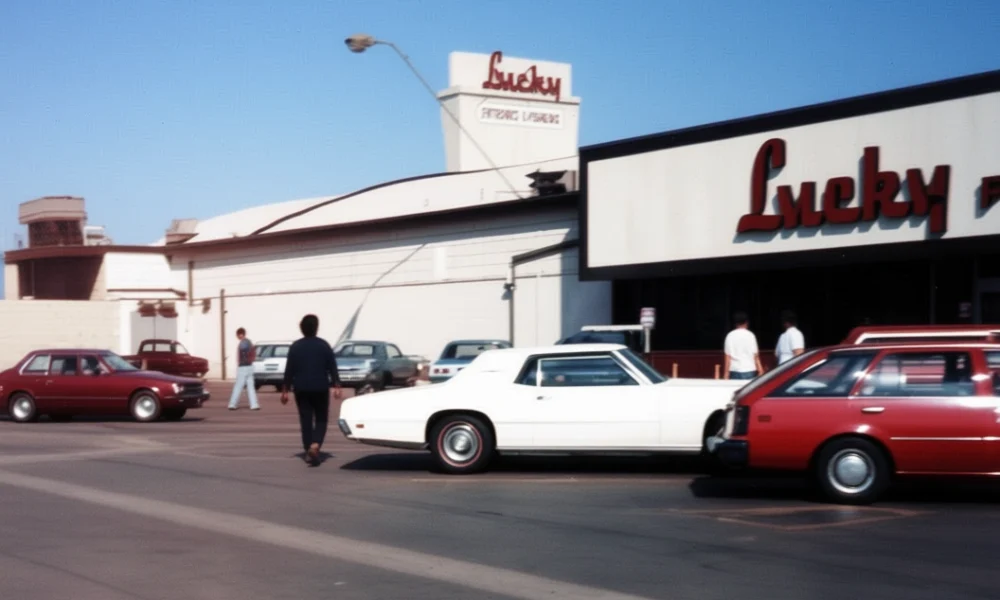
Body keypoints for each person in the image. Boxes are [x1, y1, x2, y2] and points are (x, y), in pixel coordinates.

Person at [281, 314, 343, 466]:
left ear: (302, 328)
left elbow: (289, 370)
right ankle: (315, 444)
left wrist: (285, 390)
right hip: (320, 387)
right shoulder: (324, 345)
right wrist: (336, 385)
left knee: (306, 420)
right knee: (321, 418)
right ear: (316, 328)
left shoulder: (296, 347)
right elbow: (332, 366)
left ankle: (308, 448)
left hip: (301, 388)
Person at [724, 311, 763, 380]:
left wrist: (726, 374)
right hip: (750, 369)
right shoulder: (751, 335)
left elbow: (728, 357)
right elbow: (756, 355)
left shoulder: (730, 336)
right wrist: (760, 370)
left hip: (734, 370)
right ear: (747, 322)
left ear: (735, 323)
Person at [227, 327, 260, 410]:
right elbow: (253, 354)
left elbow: (244, 353)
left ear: (240, 334)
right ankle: (254, 404)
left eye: (237, 335)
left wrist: (241, 363)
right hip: (250, 366)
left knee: (238, 386)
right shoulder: (250, 342)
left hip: (243, 367)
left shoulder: (243, 343)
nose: (237, 337)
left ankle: (232, 404)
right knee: (250, 386)